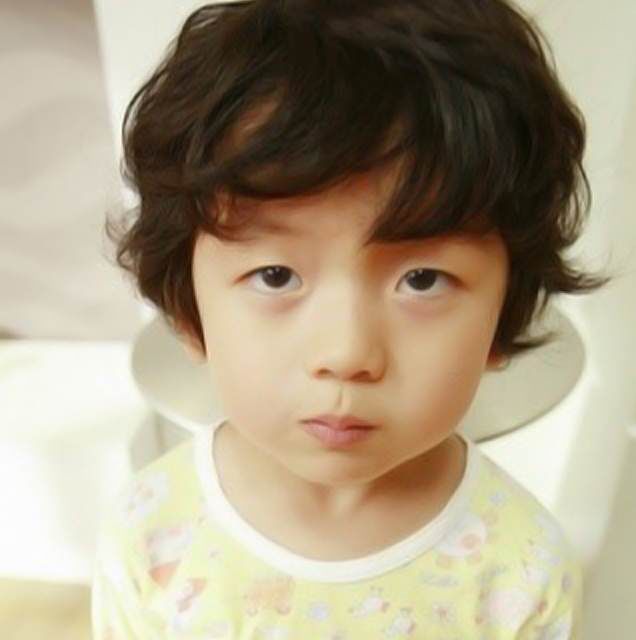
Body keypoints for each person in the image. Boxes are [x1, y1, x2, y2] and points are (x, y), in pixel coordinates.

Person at [93, 0, 612, 637]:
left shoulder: (521, 570)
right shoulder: (150, 535)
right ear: (187, 309)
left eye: (422, 279)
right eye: (276, 275)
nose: (345, 353)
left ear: (504, 316)